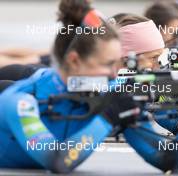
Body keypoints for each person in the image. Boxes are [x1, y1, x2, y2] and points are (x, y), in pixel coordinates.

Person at [0, 0, 140, 172]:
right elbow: (58, 161)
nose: (114, 74)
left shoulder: (108, 87)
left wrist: (174, 105)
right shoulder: (19, 101)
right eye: (107, 64)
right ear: (74, 60)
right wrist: (107, 117)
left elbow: (169, 158)